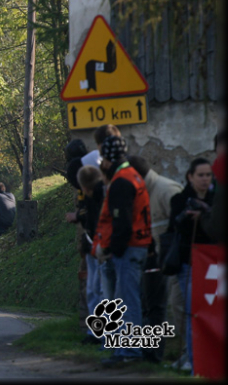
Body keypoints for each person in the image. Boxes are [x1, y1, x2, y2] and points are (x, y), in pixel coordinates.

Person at [92, 136, 152, 367]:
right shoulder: (134, 175)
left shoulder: (121, 181)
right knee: (128, 299)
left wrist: (111, 250)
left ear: (107, 159)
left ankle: (130, 351)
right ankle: (127, 349)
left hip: (129, 248)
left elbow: (122, 222)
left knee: (127, 301)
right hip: (139, 244)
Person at [127, 154, 184, 363]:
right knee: (147, 305)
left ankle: (162, 354)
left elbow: (179, 228)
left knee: (164, 306)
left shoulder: (166, 190)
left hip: (170, 260)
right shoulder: (140, 192)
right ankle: (147, 350)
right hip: (149, 257)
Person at [167, 157, 216, 374]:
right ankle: (193, 359)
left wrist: (206, 215)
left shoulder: (216, 200)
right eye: (201, 175)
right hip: (188, 262)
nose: (205, 179)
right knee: (191, 311)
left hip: (213, 264)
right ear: (190, 177)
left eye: (208, 175)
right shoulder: (180, 199)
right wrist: (187, 218)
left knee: (211, 311)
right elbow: (175, 229)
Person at [66, 165, 105, 345]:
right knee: (94, 290)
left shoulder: (98, 196)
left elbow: (95, 218)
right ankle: (96, 331)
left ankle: (99, 333)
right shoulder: (97, 195)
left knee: (98, 290)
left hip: (99, 245)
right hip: (93, 243)